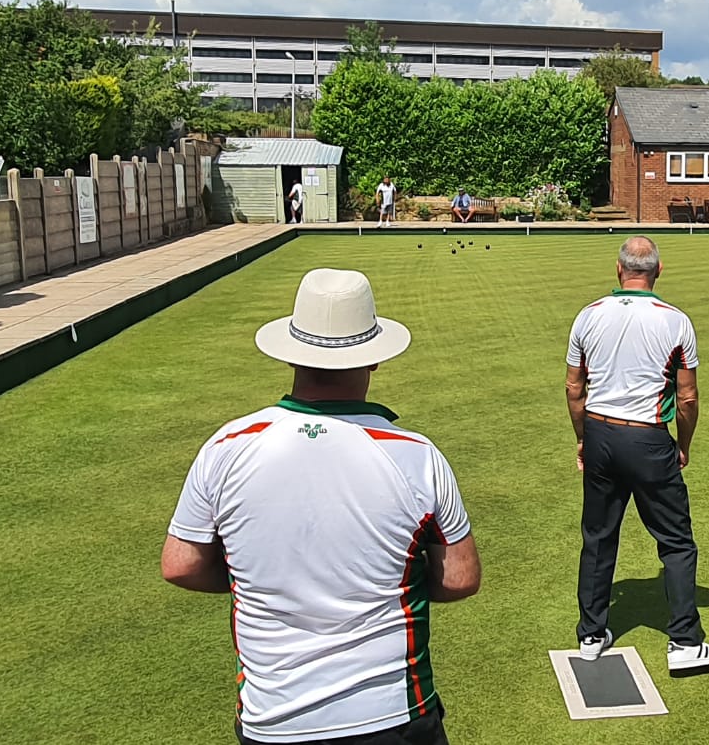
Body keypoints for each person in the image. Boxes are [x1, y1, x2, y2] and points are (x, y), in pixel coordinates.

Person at [163, 268, 480, 744]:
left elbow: (181, 564)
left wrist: (267, 582)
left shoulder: (227, 446)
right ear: (374, 359)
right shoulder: (416, 455)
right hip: (392, 713)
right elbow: (460, 577)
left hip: (273, 718)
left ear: (292, 353)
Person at [563, 236, 709, 672]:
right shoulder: (675, 321)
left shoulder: (588, 315)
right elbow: (688, 397)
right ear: (658, 271)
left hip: (600, 433)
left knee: (598, 536)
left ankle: (591, 634)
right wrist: (683, 445)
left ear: (618, 269)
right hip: (648, 438)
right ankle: (685, 642)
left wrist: (583, 438)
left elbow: (574, 387)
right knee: (675, 541)